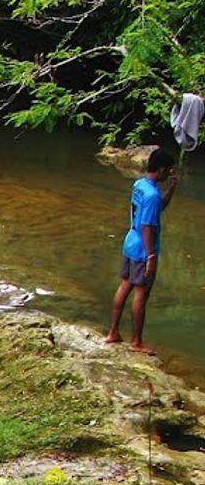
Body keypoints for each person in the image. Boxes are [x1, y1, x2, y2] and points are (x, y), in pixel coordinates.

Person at [105, 147, 178, 355]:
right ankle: (136, 342)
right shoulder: (152, 195)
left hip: (130, 242)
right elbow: (147, 226)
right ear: (162, 169)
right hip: (143, 249)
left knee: (125, 285)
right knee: (141, 293)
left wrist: (171, 189)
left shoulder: (140, 185)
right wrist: (151, 256)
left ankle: (113, 332)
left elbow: (157, 208)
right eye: (169, 171)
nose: (169, 174)